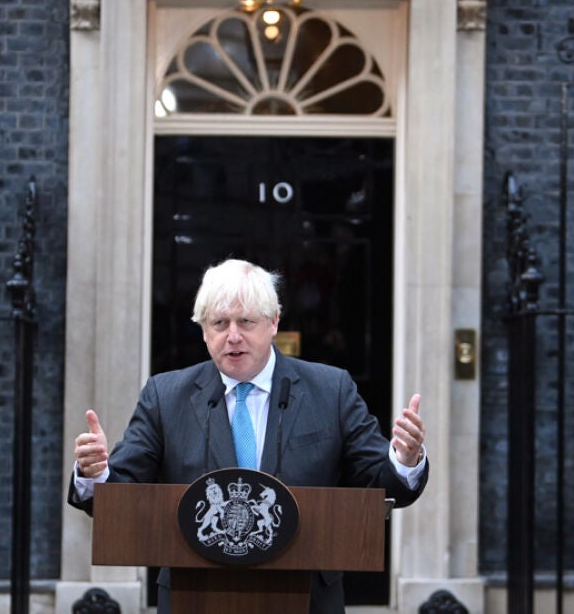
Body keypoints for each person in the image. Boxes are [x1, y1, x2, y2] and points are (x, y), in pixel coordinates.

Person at [68, 258, 428, 613]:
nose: (233, 336)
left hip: (306, 598)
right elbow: (121, 493)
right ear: (204, 331)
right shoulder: (165, 396)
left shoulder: (331, 390)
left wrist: (405, 460)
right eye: (219, 323)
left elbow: (379, 485)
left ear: (274, 322)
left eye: (245, 321)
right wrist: (95, 473)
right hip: (195, 596)